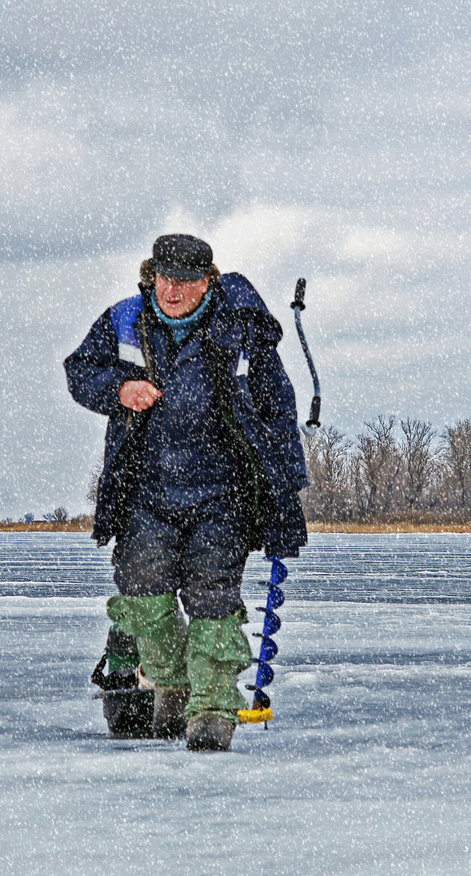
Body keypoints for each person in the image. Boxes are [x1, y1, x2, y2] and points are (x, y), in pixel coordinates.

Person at [65, 233, 308, 752]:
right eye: (165, 278)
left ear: (208, 282)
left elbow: (278, 405)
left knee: (213, 599)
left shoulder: (239, 328)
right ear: (152, 275)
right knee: (144, 600)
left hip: (222, 493)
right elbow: (79, 371)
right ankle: (171, 686)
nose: (173, 291)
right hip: (144, 492)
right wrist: (119, 390)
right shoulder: (124, 319)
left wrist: (287, 481)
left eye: (186, 281)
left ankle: (214, 710)